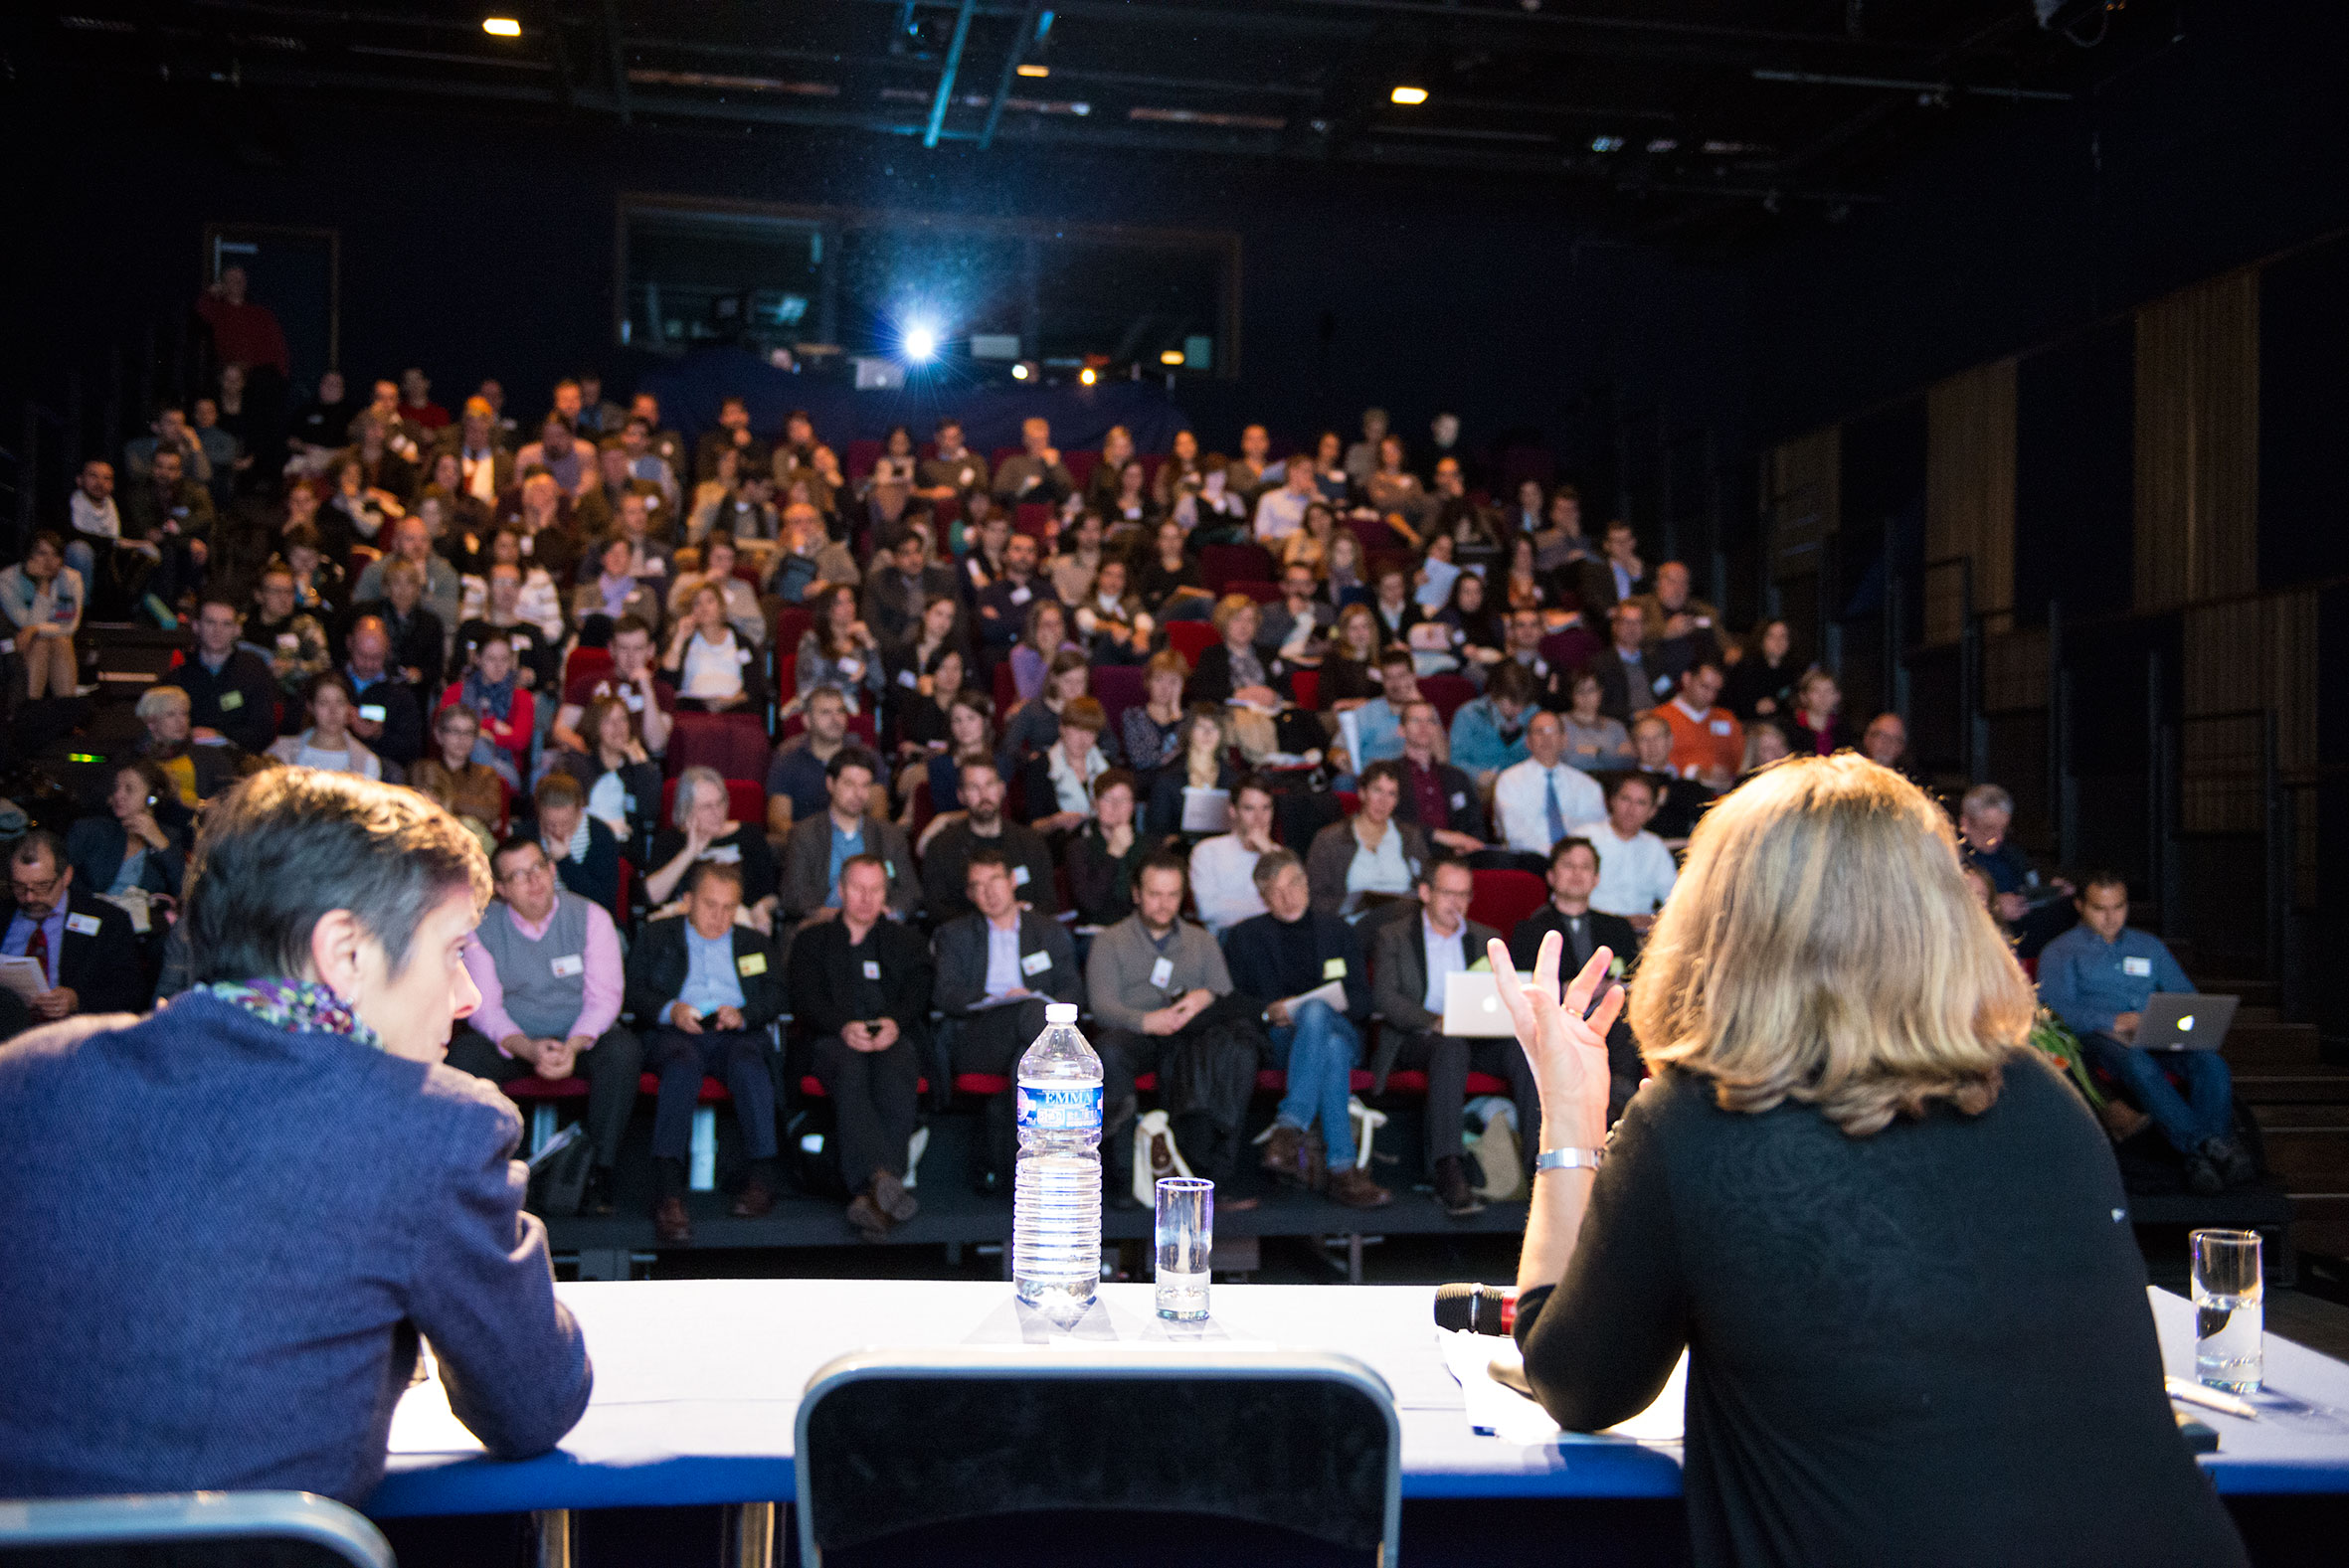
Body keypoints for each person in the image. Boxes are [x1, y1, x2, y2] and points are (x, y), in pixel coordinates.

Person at [1493, 756, 2248, 1568]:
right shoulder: (2045, 1098)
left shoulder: (1697, 1119)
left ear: (1722, 918)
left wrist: (1568, 1116)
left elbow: (1574, 1379)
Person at [0, 769, 592, 1502]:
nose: (468, 996)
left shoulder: (25, 1077)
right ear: (346, 953)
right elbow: (534, 1404)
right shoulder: (431, 1129)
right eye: (452, 952)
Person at [450, 836, 641, 1216]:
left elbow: (604, 999)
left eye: (538, 867)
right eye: (518, 876)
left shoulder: (591, 917)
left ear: (553, 869)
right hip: (516, 1041)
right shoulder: (482, 929)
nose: (534, 880)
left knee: (623, 1051)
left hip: (580, 1039)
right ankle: (487, 1178)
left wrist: (573, 1046)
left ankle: (598, 1173)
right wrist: (528, 1048)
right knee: (465, 1055)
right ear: (501, 889)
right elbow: (485, 1009)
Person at [2038, 873, 2254, 1193]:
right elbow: (2056, 1012)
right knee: (2135, 1061)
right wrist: (2113, 1020)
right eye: (2100, 908)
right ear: (2080, 906)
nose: (2111, 917)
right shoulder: (2061, 951)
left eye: (2118, 907)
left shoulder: (2148, 946)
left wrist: (2168, 1019)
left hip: (2155, 1032)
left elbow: (2185, 997)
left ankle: (2203, 1158)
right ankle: (2208, 1146)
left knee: (2211, 1064)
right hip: (2100, 1038)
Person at [625, 861, 786, 1245]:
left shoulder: (753, 942)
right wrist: (672, 1009)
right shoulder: (657, 936)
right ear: (687, 901)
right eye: (710, 905)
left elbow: (778, 995)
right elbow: (633, 992)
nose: (719, 917)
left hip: (734, 1032)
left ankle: (761, 1179)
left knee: (749, 1064)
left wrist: (745, 1014)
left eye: (729, 908)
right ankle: (668, 1192)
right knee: (682, 1066)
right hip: (676, 1031)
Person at [1222, 849, 1389, 1209]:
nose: (1289, 897)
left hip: (1342, 1027)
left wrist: (1328, 1006)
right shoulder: (1244, 937)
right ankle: (1342, 1171)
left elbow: (1364, 1000)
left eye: (1295, 884)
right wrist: (1267, 1011)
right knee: (1331, 1048)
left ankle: (1289, 1126)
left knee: (1316, 1013)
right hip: (1282, 1040)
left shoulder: (1338, 931)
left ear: (1307, 883)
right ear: (1263, 897)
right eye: (1277, 891)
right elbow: (1232, 1002)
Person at [1086, 853, 1258, 1198]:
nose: (1164, 904)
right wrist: (1147, 1021)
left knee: (1237, 1048)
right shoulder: (1109, 941)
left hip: (1192, 1035)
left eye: (1172, 895)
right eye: (1155, 894)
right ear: (1137, 894)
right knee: (1109, 1051)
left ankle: (1212, 1171)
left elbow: (1226, 996)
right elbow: (1101, 1007)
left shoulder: (1202, 941)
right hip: (1136, 1033)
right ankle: (1123, 1176)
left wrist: (1206, 997)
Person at [1368, 856, 1530, 1217]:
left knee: (1523, 1049)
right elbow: (1386, 998)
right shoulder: (1394, 935)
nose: (1456, 902)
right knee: (1451, 1045)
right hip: (1417, 1036)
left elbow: (1504, 994)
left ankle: (1538, 1163)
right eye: (1447, 893)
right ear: (1425, 892)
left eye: (1464, 894)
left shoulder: (1487, 938)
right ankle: (1448, 1169)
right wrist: (1435, 1021)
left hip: (1477, 1035)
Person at [791, 854, 934, 1240]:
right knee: (849, 1066)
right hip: (830, 1039)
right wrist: (842, 1027)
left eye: (875, 890)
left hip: (890, 1036)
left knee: (899, 1062)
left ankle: (869, 1195)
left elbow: (919, 990)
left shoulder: (907, 942)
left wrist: (894, 1022)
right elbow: (804, 997)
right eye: (858, 888)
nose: (867, 898)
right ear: (840, 890)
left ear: (886, 894)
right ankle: (883, 1180)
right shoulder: (812, 940)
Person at [933, 849, 1082, 1191]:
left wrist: (1034, 1001)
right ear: (970, 894)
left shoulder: (1046, 931)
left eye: (996, 880)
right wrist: (995, 999)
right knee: (1034, 1015)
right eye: (978, 885)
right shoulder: (954, 934)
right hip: (978, 1035)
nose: (989, 891)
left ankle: (1027, 1170)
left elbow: (1073, 989)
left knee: (1026, 1059)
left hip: (1030, 1033)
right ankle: (1063, 1146)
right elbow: (944, 994)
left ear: (1013, 880)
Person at [1508, 836, 1643, 1126]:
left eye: (1585, 867)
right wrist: (1566, 989)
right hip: (1555, 1018)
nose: (1577, 873)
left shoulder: (1618, 928)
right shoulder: (1528, 930)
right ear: (1551, 876)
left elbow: (1638, 978)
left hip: (1610, 1017)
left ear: (1596, 878)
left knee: (1626, 1014)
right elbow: (1519, 988)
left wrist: (1612, 988)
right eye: (1568, 865)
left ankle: (1619, 1113)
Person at [0, 829, 147, 1036]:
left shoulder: (107, 920)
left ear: (66, 876)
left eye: (42, 886)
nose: (30, 897)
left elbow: (130, 992)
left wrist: (77, 1000)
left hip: (73, 1035)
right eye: (19, 886)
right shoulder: (4, 914)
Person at [778, 746, 922, 925]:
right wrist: (835, 916)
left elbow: (910, 891)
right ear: (830, 784)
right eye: (849, 784)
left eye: (865, 785)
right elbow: (793, 893)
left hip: (877, 926)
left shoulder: (889, 835)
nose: (858, 794)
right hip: (823, 926)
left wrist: (888, 913)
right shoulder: (805, 833)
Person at [920, 757, 1057, 926]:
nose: (984, 795)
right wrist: (988, 921)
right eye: (974, 787)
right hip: (966, 937)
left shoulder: (1031, 842)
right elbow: (936, 910)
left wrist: (1024, 913)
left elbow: (1049, 902)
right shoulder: (941, 848)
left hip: (1026, 932)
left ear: (1002, 789)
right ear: (961, 795)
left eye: (989, 785)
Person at [646, 767, 780, 933]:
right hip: (681, 926)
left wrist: (762, 908)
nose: (717, 813)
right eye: (707, 807)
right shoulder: (669, 840)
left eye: (720, 803)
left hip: (737, 925)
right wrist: (689, 852)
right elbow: (652, 897)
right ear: (686, 809)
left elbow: (771, 894)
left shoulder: (750, 836)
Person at [1305, 760, 1429, 925]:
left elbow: (1428, 887)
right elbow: (1315, 899)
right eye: (1377, 790)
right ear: (1362, 793)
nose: (1383, 801)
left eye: (1391, 794)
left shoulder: (1410, 838)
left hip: (1402, 927)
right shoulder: (1329, 840)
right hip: (1353, 926)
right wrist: (1354, 903)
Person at [1958, 783, 2074, 958]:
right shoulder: (1952, 858)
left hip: (2025, 938)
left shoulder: (2013, 854)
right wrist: (1994, 906)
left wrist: (2050, 892)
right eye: (1989, 829)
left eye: (2003, 829)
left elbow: (2030, 886)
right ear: (1965, 823)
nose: (1998, 837)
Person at [553, 613, 674, 758]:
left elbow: (656, 744)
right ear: (612, 649)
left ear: (650, 650)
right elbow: (561, 730)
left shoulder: (662, 691)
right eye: (623, 648)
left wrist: (647, 690)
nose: (631, 656)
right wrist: (594, 756)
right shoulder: (587, 683)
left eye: (638, 648)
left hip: (639, 765)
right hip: (591, 760)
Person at [553, 695, 660, 855]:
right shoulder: (577, 766)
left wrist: (642, 766)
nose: (618, 727)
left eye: (623, 719)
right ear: (595, 726)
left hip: (625, 853)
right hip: (584, 848)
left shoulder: (638, 769)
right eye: (608, 721)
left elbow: (650, 814)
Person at [1493, 710, 1606, 859]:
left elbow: (1596, 831)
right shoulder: (1509, 780)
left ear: (1564, 740)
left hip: (1577, 862)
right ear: (1528, 741)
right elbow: (1515, 834)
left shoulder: (1587, 785)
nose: (1546, 738)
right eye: (1539, 732)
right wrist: (1556, 858)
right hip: (1528, 860)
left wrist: (1569, 860)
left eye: (1552, 731)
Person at [1571, 775, 1678, 931]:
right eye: (1625, 799)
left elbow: (1674, 898)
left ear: (1652, 811)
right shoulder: (1584, 837)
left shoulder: (1655, 846)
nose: (1631, 809)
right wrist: (1620, 923)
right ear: (1611, 801)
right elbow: (1566, 896)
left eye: (1641, 803)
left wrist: (1658, 920)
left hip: (1642, 932)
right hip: (1593, 927)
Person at [177, 595, 278, 755]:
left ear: (237, 630)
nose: (218, 631)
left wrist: (221, 735)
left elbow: (264, 731)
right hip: (189, 757)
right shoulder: (180, 675)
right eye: (210, 622)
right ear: (196, 626)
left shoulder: (254, 670)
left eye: (226, 624)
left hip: (239, 758)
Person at [1390, 701, 1489, 855]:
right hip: (1407, 854)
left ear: (1437, 729)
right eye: (1416, 720)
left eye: (1430, 721)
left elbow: (1475, 825)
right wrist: (1438, 836)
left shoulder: (1457, 777)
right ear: (1401, 730)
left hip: (1456, 857)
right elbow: (1389, 822)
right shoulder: (1390, 775)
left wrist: (1469, 846)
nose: (1423, 726)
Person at [1187, 775, 1279, 935]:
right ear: (1233, 811)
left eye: (1266, 808)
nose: (1259, 818)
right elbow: (1207, 910)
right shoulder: (1207, 851)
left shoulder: (1279, 856)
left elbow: (1291, 905)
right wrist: (1268, 908)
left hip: (1274, 938)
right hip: (1226, 939)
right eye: (1249, 808)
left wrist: (1268, 854)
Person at [0, 532, 85, 701]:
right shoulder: (7, 580)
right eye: (42, 553)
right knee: (39, 644)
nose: (49, 561)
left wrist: (37, 629)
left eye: (55, 555)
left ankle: (66, 709)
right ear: (28, 556)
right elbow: (26, 625)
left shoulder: (72, 579)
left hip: (52, 641)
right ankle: (29, 709)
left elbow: (70, 626)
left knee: (61, 642)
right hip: (12, 645)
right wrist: (43, 584)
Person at [411, 703, 509, 847]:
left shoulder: (487, 774)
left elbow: (490, 812)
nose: (462, 739)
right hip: (430, 841)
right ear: (438, 734)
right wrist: (471, 806)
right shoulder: (423, 769)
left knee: (470, 826)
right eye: (455, 731)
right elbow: (421, 808)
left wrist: (443, 800)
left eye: (468, 732)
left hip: (474, 845)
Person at [442, 631, 534, 783]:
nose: (498, 666)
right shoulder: (456, 691)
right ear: (478, 659)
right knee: (476, 744)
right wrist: (492, 725)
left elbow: (519, 741)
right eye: (491, 659)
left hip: (504, 769)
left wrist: (481, 734)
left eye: (504, 659)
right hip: (458, 762)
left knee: (478, 745)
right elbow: (445, 731)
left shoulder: (522, 697)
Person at [1064, 769, 1149, 928]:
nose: (1116, 806)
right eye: (1107, 799)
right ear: (1095, 804)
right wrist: (1113, 855)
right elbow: (1091, 904)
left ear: (1132, 806)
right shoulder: (1079, 848)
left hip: (1141, 928)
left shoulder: (1147, 846)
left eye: (1123, 799)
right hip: (1097, 929)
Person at [664, 582, 766, 714]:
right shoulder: (685, 642)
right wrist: (679, 638)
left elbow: (755, 688)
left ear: (721, 606)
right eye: (697, 603)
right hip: (693, 711)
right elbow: (667, 679)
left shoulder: (742, 643)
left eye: (710, 601)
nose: (704, 607)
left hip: (735, 711)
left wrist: (729, 701)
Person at [134, 684, 243, 807]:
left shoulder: (210, 756)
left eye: (184, 714)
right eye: (170, 714)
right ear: (151, 723)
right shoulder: (136, 760)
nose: (180, 721)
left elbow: (230, 797)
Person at [1145, 705, 1242, 842]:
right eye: (1200, 726)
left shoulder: (1234, 779)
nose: (1207, 733)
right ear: (1189, 731)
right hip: (1178, 850)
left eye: (1214, 727)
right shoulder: (1166, 777)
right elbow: (1156, 831)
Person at [532, 770, 623, 914]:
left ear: (579, 810)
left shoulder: (599, 835)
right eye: (550, 824)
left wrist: (564, 860)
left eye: (565, 823)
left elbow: (602, 901)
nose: (558, 831)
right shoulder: (528, 835)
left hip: (586, 916)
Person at [766, 684, 854, 833]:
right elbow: (778, 819)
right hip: (803, 840)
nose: (836, 719)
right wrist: (811, 842)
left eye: (840, 711)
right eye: (826, 712)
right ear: (807, 720)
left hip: (855, 841)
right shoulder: (787, 757)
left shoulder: (864, 754)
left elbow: (878, 812)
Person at [343, 617, 427, 770]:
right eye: (362, 655)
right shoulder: (331, 683)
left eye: (376, 657)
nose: (368, 664)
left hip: (380, 768)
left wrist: (379, 735)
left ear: (387, 651)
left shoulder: (400, 693)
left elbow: (413, 751)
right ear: (349, 644)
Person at [1020, 695, 1111, 836]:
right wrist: (1054, 822)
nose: (1083, 739)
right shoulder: (1040, 767)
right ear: (1062, 728)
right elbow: (1032, 827)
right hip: (1058, 844)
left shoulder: (1107, 767)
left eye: (1090, 732)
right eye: (1078, 729)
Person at [268, 673, 385, 781]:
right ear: (311, 707)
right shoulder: (281, 752)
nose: (333, 711)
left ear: (349, 707)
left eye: (340, 702)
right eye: (323, 703)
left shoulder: (367, 762)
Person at [1630, 714, 1717, 845]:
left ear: (1670, 740)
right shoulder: (1626, 784)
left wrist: (1670, 793)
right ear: (1635, 746)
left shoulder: (1689, 785)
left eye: (1657, 737)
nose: (1652, 745)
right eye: (1643, 739)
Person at [1448, 658, 1536, 785]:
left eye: (1524, 704)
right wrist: (1477, 775)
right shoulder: (1468, 714)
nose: (1519, 710)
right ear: (1496, 695)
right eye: (1513, 703)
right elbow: (1455, 759)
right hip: (1480, 786)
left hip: (1522, 784)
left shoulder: (1533, 714)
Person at [1657, 661, 1745, 787]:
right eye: (1705, 687)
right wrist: (1693, 772)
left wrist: (1728, 774)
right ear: (1687, 679)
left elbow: (1743, 759)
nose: (1710, 695)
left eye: (1716, 690)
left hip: (1725, 789)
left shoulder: (1727, 718)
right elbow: (1653, 761)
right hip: (1680, 789)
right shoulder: (1660, 718)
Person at [1120, 649, 1191, 790]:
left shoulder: (1189, 719)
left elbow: (1191, 760)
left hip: (1180, 789)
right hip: (1145, 787)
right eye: (1158, 679)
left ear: (1182, 685)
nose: (1165, 688)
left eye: (1173, 682)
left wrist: (1177, 717)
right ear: (1148, 681)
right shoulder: (1133, 716)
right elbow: (1142, 760)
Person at [1589, 602, 1664, 725]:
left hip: (1658, 722)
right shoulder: (1600, 664)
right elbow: (1599, 705)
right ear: (1615, 626)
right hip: (1621, 726)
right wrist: (1632, 716)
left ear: (1644, 627)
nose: (1632, 628)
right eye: (1626, 622)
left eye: (1637, 622)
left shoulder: (1654, 660)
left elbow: (1666, 692)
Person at [991, 417, 1075, 508]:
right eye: (1034, 440)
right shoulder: (1013, 462)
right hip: (1020, 508)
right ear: (1026, 440)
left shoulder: (1054, 464)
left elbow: (1069, 489)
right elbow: (998, 492)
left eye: (1043, 440)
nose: (1039, 444)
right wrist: (1024, 487)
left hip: (1049, 510)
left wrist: (1054, 466)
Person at [1721, 618, 1797, 721]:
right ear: (1761, 641)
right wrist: (1754, 707)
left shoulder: (1794, 672)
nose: (1778, 642)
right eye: (1771, 636)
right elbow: (1731, 703)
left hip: (1780, 725)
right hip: (1748, 724)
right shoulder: (1745, 668)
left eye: (1783, 636)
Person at [1561, 669, 1634, 772]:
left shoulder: (1616, 726)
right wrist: (1611, 755)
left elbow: (1628, 762)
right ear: (1571, 695)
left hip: (1611, 779)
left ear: (1600, 692)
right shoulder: (1561, 724)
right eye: (1579, 691)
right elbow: (1569, 760)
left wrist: (1597, 752)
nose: (1585, 696)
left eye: (1591, 690)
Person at [1786, 668, 1843, 756]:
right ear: (1804, 696)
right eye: (1816, 691)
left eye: (1829, 691)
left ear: (1837, 696)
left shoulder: (1843, 728)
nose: (1823, 697)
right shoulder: (1790, 728)